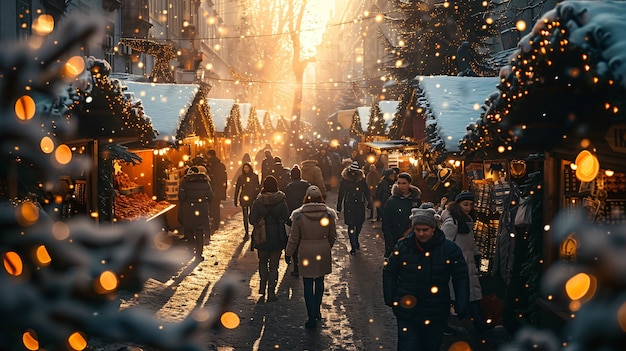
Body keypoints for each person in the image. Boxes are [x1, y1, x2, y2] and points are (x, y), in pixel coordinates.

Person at [383, 204, 470, 351]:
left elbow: (460, 275)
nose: (421, 234)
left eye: (425, 230)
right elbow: (390, 271)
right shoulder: (403, 247)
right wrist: (390, 297)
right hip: (407, 310)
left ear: (433, 228)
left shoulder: (449, 249)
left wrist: (462, 301)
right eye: (418, 230)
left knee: (430, 346)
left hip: (435, 311)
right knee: (408, 346)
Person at [285, 185, 337, 329]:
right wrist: (326, 246)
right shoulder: (328, 214)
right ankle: (317, 310)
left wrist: (288, 253)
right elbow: (333, 236)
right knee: (320, 281)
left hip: (306, 250)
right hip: (323, 250)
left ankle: (311, 316)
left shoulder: (299, 215)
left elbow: (293, 238)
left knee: (307, 284)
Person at [440, 190, 491, 334]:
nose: (468, 207)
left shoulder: (467, 221)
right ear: (458, 204)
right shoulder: (452, 222)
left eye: (471, 204)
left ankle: (477, 324)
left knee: (471, 295)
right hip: (457, 267)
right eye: (465, 204)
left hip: (469, 265)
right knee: (459, 296)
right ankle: (472, 324)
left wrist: (483, 264)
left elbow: (472, 246)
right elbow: (444, 245)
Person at [249, 176, 290, 302]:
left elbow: (251, 220)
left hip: (262, 237)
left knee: (262, 262)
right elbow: (287, 218)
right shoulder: (281, 200)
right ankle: (271, 291)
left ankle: (262, 285)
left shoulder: (258, 201)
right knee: (274, 266)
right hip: (277, 237)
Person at [177, 166, 214, 262]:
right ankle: (199, 254)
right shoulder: (205, 182)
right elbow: (210, 197)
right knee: (199, 232)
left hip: (189, 209)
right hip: (202, 209)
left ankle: (190, 251)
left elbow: (181, 196)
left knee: (189, 231)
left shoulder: (185, 182)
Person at [382, 172, 422, 257]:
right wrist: (391, 243)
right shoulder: (392, 201)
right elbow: (386, 223)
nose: (401, 186)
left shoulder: (415, 200)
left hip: (413, 239)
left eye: (404, 183)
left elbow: (420, 218)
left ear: (409, 184)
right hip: (396, 237)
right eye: (399, 183)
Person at [337, 161, 370, 255]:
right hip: (349, 204)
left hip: (359, 204)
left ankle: (355, 238)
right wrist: (339, 205)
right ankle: (353, 245)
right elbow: (341, 193)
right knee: (351, 225)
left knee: (359, 223)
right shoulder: (345, 180)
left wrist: (369, 202)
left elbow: (366, 191)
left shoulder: (361, 180)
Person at [284, 165, 311, 277]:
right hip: (305, 217)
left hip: (293, 217)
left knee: (294, 240)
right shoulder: (307, 186)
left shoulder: (288, 188)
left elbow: (287, 204)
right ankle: (305, 263)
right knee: (304, 241)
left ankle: (295, 265)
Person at [234, 162, 260, 241]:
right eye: (244, 168)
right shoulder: (241, 177)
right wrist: (235, 199)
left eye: (247, 168)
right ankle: (246, 232)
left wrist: (257, 196)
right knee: (245, 215)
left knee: (253, 215)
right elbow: (237, 188)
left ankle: (254, 231)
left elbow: (257, 186)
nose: (246, 169)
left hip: (253, 197)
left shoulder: (255, 176)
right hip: (244, 197)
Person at [207, 149, 227, 231]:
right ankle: (216, 223)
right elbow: (224, 178)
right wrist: (224, 188)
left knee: (211, 206)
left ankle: (213, 222)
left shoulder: (209, 165)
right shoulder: (221, 165)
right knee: (216, 207)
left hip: (211, 188)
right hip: (218, 189)